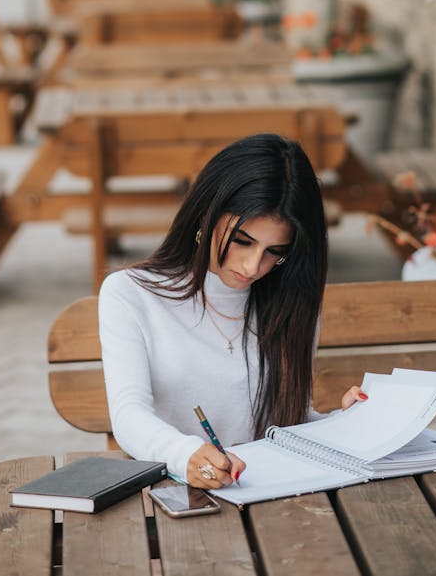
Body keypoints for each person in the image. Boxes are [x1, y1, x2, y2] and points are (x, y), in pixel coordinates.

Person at [98, 133, 365, 489]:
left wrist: (343, 423)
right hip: (174, 493)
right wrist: (186, 455)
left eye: (276, 251)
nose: (254, 266)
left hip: (268, 495)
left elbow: (287, 425)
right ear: (206, 214)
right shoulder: (131, 295)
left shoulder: (291, 303)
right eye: (242, 241)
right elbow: (129, 415)